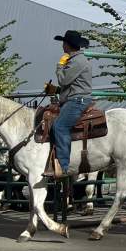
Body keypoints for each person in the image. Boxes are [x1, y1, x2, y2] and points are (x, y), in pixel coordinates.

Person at [47, 29, 93, 178]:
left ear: (68, 45)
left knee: (60, 126)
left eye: (63, 43)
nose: (62, 46)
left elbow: (64, 80)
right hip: (75, 98)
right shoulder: (76, 60)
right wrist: (56, 90)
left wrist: (59, 66)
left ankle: (63, 166)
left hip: (77, 100)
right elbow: (70, 85)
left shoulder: (77, 61)